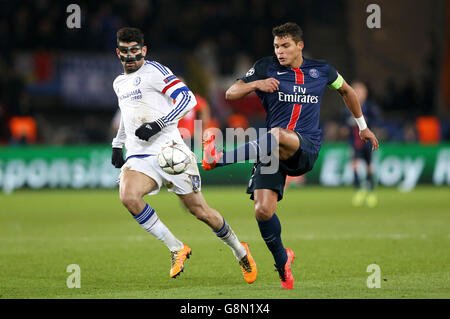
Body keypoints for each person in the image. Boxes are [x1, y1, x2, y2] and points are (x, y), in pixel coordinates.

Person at [202, 22, 379, 289]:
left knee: (276, 134)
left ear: (299, 46)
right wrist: (257, 83)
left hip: (304, 147)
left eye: (285, 46)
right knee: (262, 211)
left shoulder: (321, 70)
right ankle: (282, 261)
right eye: (276, 46)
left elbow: (347, 91)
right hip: (272, 150)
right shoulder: (266, 67)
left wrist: (363, 127)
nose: (280, 52)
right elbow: (231, 92)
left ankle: (219, 158)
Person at [110, 27, 256, 283]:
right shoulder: (119, 83)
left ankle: (240, 250)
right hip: (139, 156)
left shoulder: (155, 71)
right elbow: (127, 114)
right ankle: (177, 247)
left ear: (143, 51)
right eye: (125, 51)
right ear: (118, 53)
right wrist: (117, 143)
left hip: (170, 152)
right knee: (129, 196)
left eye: (135, 50)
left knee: (200, 211)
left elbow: (187, 99)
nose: (130, 56)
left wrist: (157, 124)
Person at [347, 81, 381, 207]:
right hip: (354, 142)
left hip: (367, 142)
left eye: (360, 91)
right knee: (354, 165)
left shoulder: (371, 107)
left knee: (369, 166)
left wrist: (367, 122)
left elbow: (378, 122)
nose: (358, 94)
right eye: (356, 91)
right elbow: (344, 123)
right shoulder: (348, 106)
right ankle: (358, 191)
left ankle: (371, 192)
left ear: (365, 93)